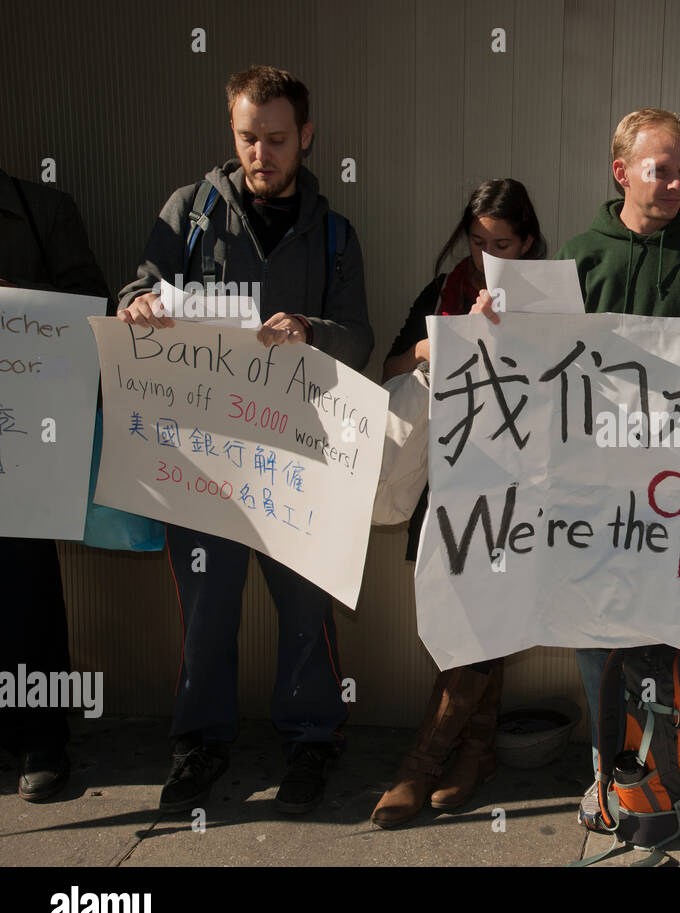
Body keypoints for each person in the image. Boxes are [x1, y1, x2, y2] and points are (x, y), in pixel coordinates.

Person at [116, 66, 372, 815]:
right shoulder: (190, 211)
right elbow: (139, 287)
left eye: (278, 139)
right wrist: (136, 306)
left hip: (296, 456)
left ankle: (313, 741)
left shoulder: (333, 234)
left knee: (305, 610)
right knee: (207, 609)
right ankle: (200, 744)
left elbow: (357, 337)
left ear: (307, 137)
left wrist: (309, 330)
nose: (262, 153)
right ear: (234, 134)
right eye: (248, 138)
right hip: (200, 458)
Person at [549, 108, 680, 847]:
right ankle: (611, 779)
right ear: (622, 172)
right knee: (592, 637)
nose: (674, 182)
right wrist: (491, 324)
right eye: (659, 168)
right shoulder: (578, 257)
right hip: (599, 494)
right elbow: (536, 358)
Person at [371, 178, 545, 827]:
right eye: (477, 241)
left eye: (502, 244)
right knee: (467, 620)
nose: (486, 255)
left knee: (481, 623)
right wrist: (433, 342)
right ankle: (475, 757)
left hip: (515, 491)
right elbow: (388, 366)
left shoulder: (550, 298)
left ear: (527, 243)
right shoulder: (444, 289)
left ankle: (420, 765)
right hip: (446, 481)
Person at [0, 168, 110, 801]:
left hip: (21, 440)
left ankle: (41, 736)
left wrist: (19, 299)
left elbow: (90, 304)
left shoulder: (40, 208)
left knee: (24, 585)